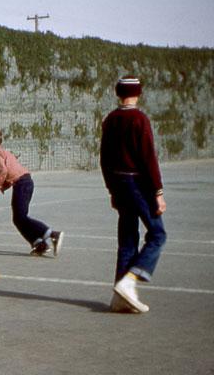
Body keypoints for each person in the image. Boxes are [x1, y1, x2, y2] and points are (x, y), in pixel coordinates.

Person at [101, 76, 167, 313]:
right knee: (158, 234)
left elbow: (104, 159)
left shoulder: (110, 120)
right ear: (138, 93)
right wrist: (157, 192)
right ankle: (129, 281)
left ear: (118, 92)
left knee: (128, 238)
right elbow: (148, 159)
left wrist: (112, 190)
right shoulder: (139, 119)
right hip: (137, 183)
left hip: (118, 183)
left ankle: (119, 297)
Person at [0, 129, 64, 257]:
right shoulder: (4, 151)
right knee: (19, 218)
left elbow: (3, 171)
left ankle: (52, 234)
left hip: (21, 184)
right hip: (25, 182)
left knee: (20, 217)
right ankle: (39, 244)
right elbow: (9, 172)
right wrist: (1, 185)